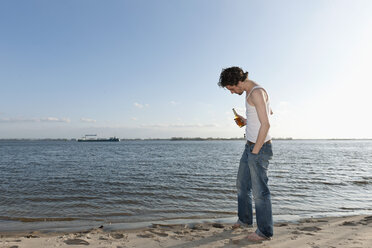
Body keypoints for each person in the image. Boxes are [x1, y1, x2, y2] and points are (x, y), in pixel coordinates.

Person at [218, 66, 274, 241]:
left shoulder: (256, 92)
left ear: (238, 81)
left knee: (260, 192)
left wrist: (255, 152)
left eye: (232, 88)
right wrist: (246, 121)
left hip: (259, 148)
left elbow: (266, 125)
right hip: (249, 147)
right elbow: (264, 116)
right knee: (242, 185)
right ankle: (245, 220)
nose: (232, 92)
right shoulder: (251, 92)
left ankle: (264, 232)